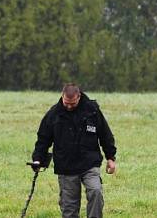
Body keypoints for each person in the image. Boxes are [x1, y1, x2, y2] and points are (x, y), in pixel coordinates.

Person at [32, 83, 117, 218]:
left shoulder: (92, 110)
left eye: (73, 103)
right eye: (66, 103)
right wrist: (37, 159)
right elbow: (43, 139)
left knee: (95, 191)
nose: (69, 106)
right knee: (69, 208)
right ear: (62, 96)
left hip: (89, 163)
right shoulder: (54, 114)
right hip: (66, 166)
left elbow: (105, 134)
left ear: (79, 97)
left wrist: (111, 158)